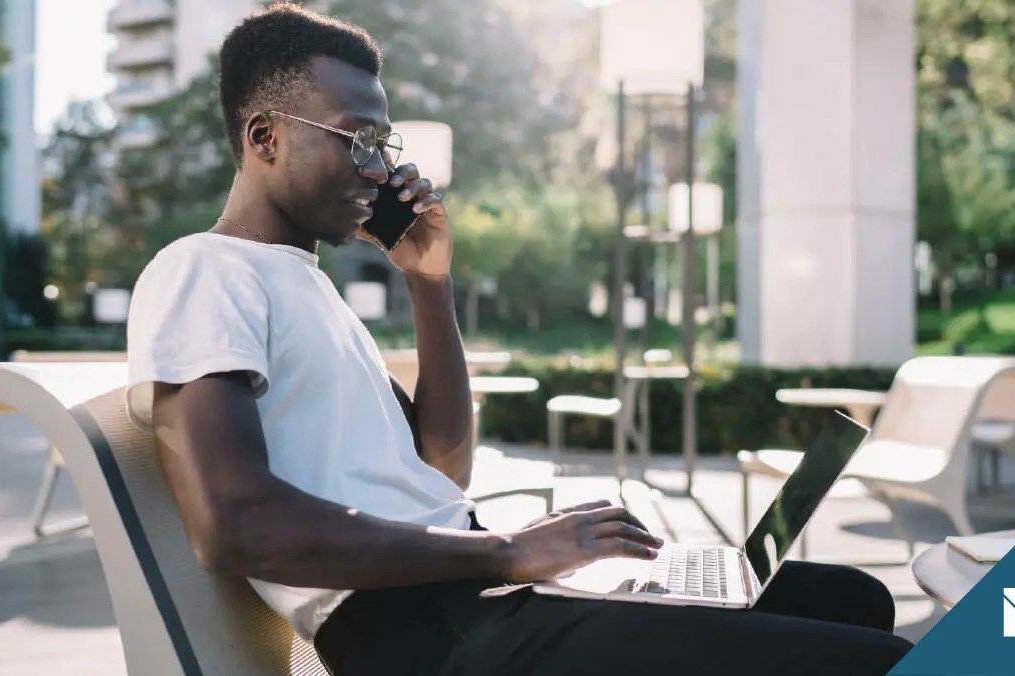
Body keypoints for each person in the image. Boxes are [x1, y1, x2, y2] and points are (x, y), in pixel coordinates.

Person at [126, 3, 913, 674]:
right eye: (356, 138)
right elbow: (235, 524)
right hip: (431, 632)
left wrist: (429, 285)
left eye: (383, 145)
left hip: (471, 591)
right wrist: (508, 553)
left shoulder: (305, 283)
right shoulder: (203, 271)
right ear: (265, 137)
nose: (377, 169)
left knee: (853, 599)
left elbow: (440, 465)